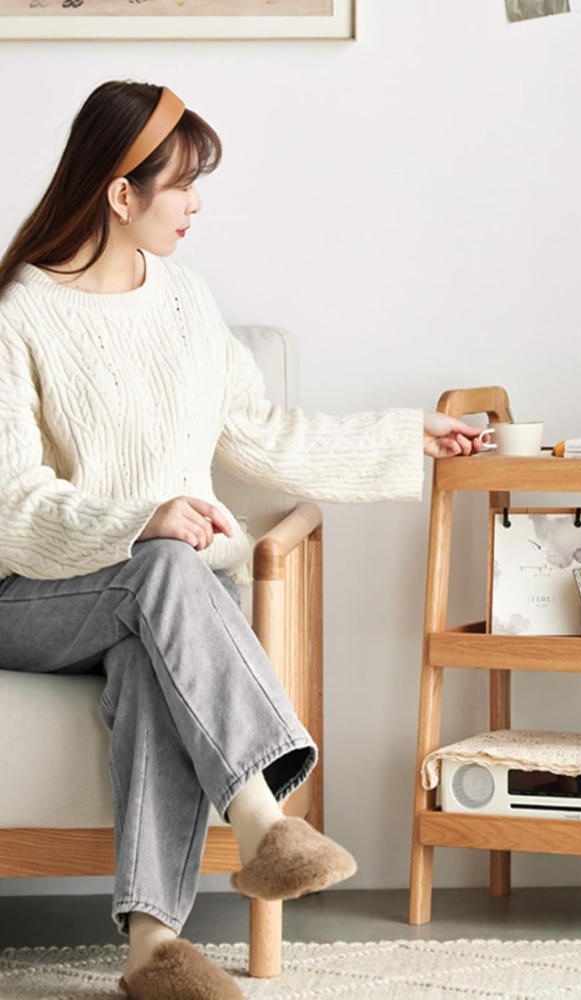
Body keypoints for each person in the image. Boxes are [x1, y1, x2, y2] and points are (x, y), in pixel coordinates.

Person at [0, 81, 485, 999]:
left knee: (159, 643)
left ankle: (152, 955)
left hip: (164, 603)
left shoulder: (185, 301)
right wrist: (141, 519)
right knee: (165, 568)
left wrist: (403, 436)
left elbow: (264, 432)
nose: (195, 205)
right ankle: (263, 818)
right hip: (37, 596)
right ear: (120, 194)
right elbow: (12, 502)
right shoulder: (21, 310)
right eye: (181, 185)